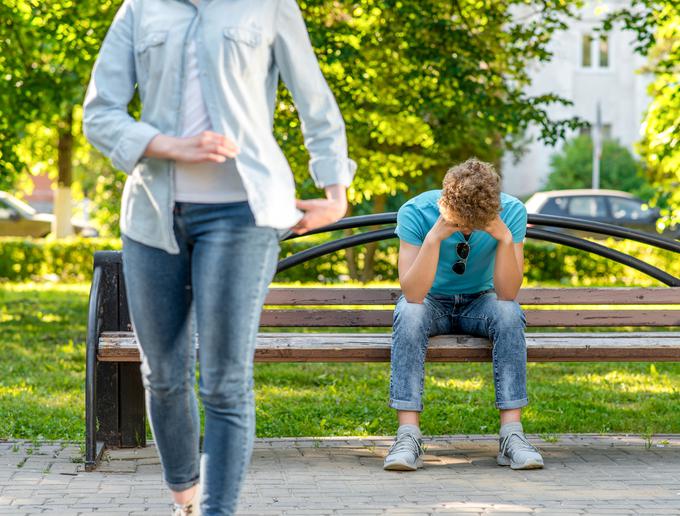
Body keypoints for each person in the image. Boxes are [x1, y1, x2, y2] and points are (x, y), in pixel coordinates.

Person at [83, 1, 355, 514]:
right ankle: (184, 492)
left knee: (225, 381)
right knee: (163, 375)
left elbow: (313, 98)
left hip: (243, 213)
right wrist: (167, 145)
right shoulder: (141, 8)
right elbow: (99, 112)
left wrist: (335, 190)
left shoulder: (270, 6)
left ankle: (217, 509)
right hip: (151, 216)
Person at [383, 158, 543, 472]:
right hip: (431, 302)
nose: (467, 228)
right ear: (445, 204)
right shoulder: (415, 212)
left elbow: (507, 293)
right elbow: (413, 294)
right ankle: (407, 436)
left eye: (476, 222)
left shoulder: (511, 212)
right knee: (409, 313)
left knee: (509, 313)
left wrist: (506, 239)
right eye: (461, 220)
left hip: (479, 303)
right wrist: (434, 238)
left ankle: (512, 436)